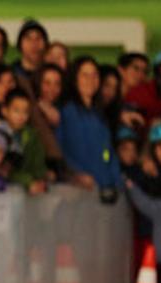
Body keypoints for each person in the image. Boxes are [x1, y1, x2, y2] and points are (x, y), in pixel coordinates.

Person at [57, 56, 121, 200]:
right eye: (85, 75)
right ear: (75, 78)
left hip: (103, 189)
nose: (90, 80)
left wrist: (115, 180)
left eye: (94, 75)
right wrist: (74, 174)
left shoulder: (99, 115)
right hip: (78, 190)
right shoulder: (67, 111)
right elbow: (61, 149)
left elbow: (107, 152)